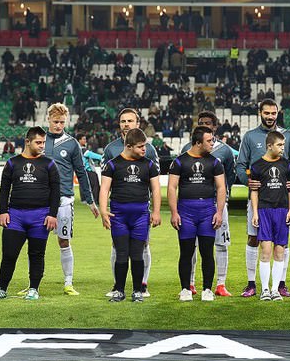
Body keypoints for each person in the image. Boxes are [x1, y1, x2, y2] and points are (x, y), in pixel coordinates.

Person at [236, 99, 290, 298]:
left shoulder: (287, 135)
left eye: (274, 113)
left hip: (281, 201)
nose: (270, 116)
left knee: (283, 243)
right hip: (259, 201)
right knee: (253, 238)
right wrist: (248, 182)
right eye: (267, 113)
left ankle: (280, 284)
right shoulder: (250, 136)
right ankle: (252, 284)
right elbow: (240, 165)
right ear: (260, 113)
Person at [0, 127, 60, 301]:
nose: (42, 146)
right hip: (15, 216)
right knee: (9, 255)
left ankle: (33, 289)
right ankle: (1, 288)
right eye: (38, 142)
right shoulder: (13, 163)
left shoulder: (49, 164)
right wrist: (3, 211)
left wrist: (52, 214)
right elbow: (4, 189)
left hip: (40, 216)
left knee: (36, 255)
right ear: (27, 142)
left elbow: (56, 191)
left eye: (43, 142)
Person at [35, 103, 99, 297]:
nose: (58, 126)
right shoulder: (39, 141)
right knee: (36, 244)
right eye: (55, 122)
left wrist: (90, 200)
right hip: (40, 200)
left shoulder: (72, 144)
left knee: (64, 241)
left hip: (64, 200)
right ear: (48, 119)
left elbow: (81, 172)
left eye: (62, 122)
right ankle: (33, 285)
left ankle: (68, 282)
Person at [99, 128, 162, 303]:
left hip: (140, 216)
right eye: (140, 147)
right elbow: (104, 189)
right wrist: (103, 211)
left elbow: (156, 190)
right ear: (128, 146)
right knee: (121, 253)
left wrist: (156, 212)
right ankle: (119, 291)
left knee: (137, 254)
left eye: (145, 146)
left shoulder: (148, 165)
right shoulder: (112, 165)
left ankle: (137, 291)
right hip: (118, 216)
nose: (144, 149)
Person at [168, 126, 226, 302]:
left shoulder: (215, 162)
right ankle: (185, 289)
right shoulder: (180, 162)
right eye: (209, 141)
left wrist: (219, 212)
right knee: (186, 252)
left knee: (207, 252)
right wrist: (174, 213)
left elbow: (221, 187)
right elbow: (172, 187)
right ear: (198, 143)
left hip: (207, 211)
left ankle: (207, 289)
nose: (213, 143)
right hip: (186, 212)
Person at [192, 111, 237, 297]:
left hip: (217, 204)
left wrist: (223, 196)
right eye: (201, 122)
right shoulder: (189, 148)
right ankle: (191, 283)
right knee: (192, 244)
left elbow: (230, 176)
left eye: (208, 123)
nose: (204, 125)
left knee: (221, 243)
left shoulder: (225, 150)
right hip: (195, 204)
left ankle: (220, 284)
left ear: (215, 127)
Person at [249, 130, 290, 301]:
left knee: (279, 251)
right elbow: (254, 191)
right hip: (264, 211)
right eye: (279, 145)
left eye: (283, 145)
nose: (283, 148)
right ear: (269, 146)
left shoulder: (287, 165)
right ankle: (265, 290)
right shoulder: (257, 166)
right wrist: (255, 213)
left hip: (282, 211)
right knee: (266, 251)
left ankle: (275, 290)